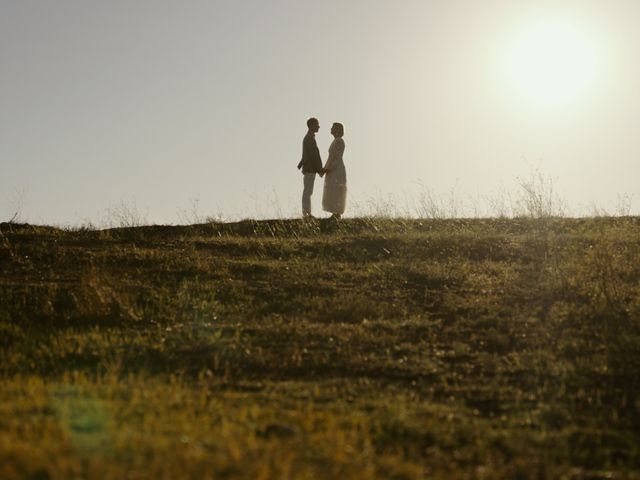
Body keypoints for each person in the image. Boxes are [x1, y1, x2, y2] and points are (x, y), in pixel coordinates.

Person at [297, 117, 324, 218]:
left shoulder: (309, 137)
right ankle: (306, 213)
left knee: (308, 190)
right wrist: (319, 169)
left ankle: (307, 213)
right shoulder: (309, 138)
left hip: (309, 168)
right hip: (310, 168)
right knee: (308, 191)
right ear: (312, 125)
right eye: (317, 124)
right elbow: (313, 155)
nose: (319, 126)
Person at [322, 122, 347, 219]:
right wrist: (325, 169)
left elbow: (336, 157)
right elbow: (330, 157)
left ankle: (337, 213)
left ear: (337, 129)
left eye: (332, 127)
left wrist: (328, 168)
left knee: (336, 189)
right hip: (332, 168)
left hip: (337, 169)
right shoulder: (335, 141)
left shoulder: (339, 141)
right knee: (332, 189)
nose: (331, 128)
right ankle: (335, 213)